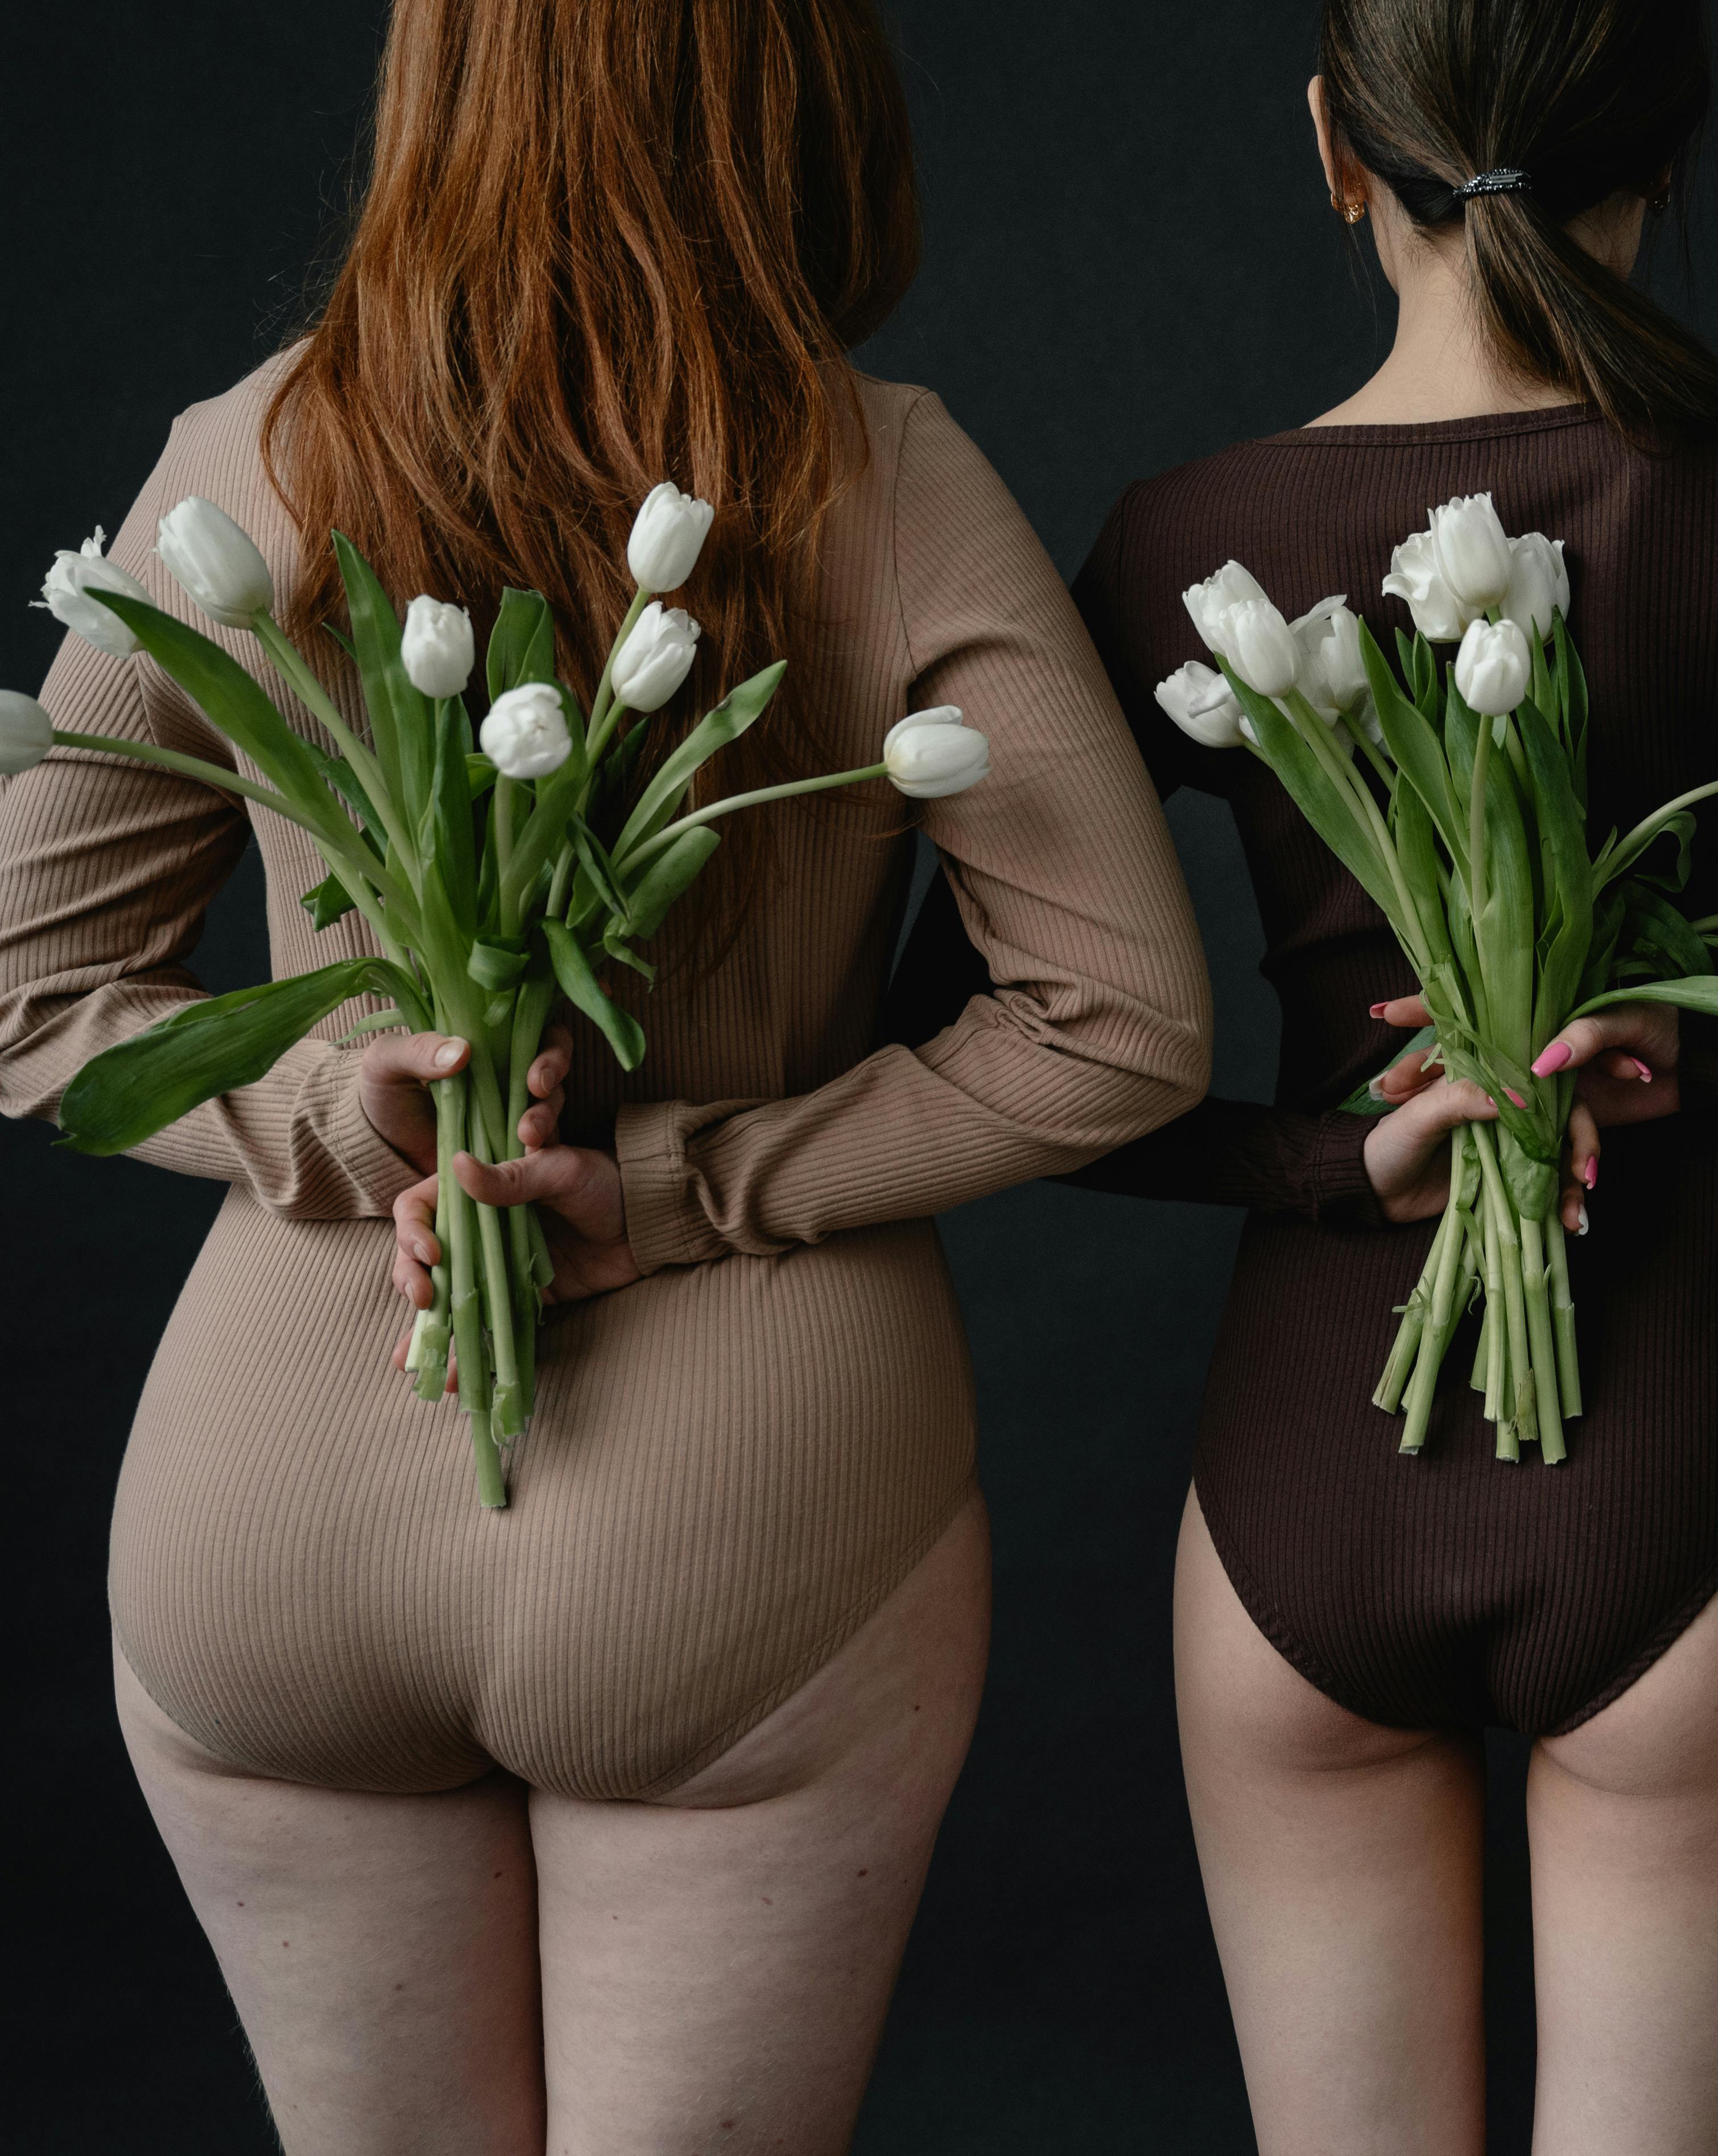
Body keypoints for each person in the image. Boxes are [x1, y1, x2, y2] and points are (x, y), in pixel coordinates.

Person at [882, 2, 1718, 2145]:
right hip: (1688, 1460)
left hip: (1302, 1486)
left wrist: (1329, 1163)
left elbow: (958, 1039)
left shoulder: (1191, 542)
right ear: (1673, 154)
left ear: (1335, 151)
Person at [0, 1, 1211, 2146]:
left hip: (269, 1490)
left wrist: (328, 1111)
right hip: (751, 1511)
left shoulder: (253, 454)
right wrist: (679, 1186)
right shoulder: (884, 471)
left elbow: (23, 979)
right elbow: (1124, 1026)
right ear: (800, 107)